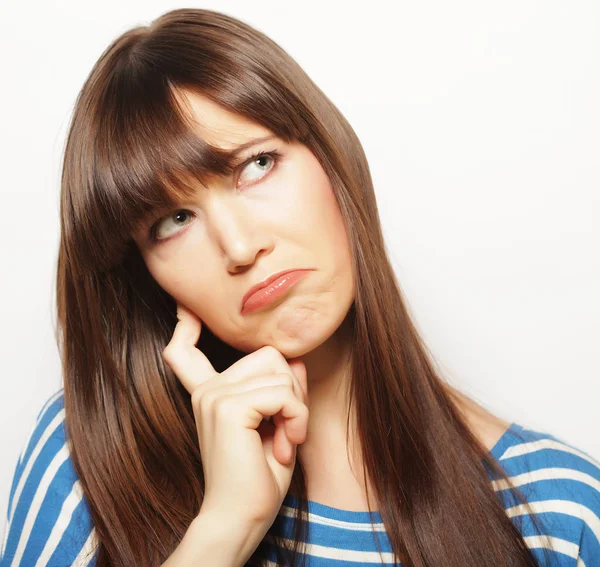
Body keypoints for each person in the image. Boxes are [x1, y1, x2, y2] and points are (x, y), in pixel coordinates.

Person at [2, 7, 599, 567]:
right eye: (173, 221)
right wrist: (224, 527)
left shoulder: (556, 513)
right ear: (144, 271)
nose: (239, 248)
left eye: (255, 166)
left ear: (332, 156)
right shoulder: (88, 462)